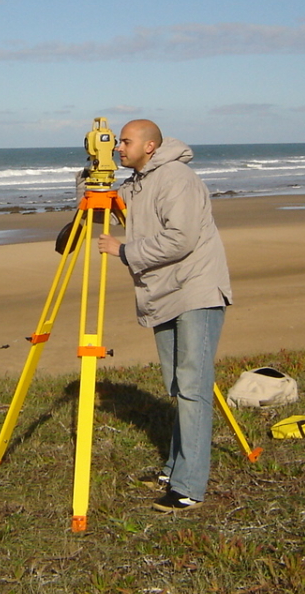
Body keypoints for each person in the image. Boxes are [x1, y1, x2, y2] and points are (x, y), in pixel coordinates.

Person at [97, 119, 232, 512]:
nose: (118, 148)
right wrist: (91, 174)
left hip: (196, 290)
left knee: (192, 388)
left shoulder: (176, 178)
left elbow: (180, 239)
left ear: (150, 146)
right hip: (166, 292)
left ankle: (189, 487)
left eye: (125, 142)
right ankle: (175, 468)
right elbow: (104, 205)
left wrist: (124, 252)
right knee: (178, 385)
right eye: (117, 142)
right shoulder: (139, 182)